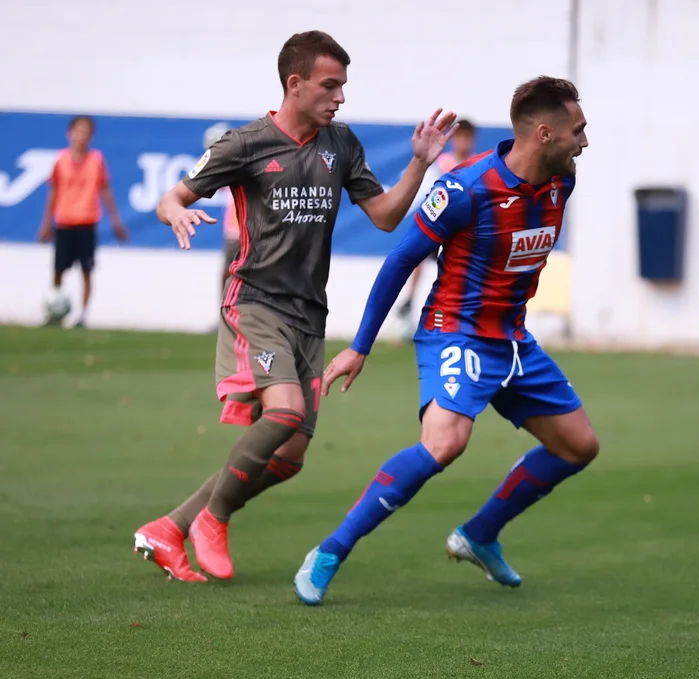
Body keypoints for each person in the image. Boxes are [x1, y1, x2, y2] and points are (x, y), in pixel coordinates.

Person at [132, 30, 457, 583]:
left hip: (310, 315)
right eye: (330, 85)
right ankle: (213, 518)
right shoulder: (245, 143)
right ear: (295, 83)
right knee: (282, 413)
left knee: (288, 456)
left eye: (343, 86)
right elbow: (174, 196)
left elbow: (384, 216)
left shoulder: (341, 144)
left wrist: (419, 164)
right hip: (255, 302)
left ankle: (170, 527)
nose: (340, 97)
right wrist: (176, 213)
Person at [294, 76, 599, 606]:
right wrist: (361, 345)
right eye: (578, 130)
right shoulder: (465, 189)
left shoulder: (561, 181)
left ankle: (479, 535)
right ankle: (329, 551)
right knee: (444, 444)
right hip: (455, 331)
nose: (585, 142)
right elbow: (401, 260)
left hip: (512, 339)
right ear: (545, 134)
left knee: (578, 446)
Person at [37, 115, 128, 328]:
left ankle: (82, 316)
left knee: (87, 270)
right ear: (69, 133)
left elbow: (105, 190)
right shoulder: (60, 160)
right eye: (78, 131)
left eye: (86, 132)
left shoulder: (96, 160)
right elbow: (53, 192)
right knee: (59, 269)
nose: (81, 136)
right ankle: (55, 312)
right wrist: (45, 224)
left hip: (87, 222)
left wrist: (116, 221)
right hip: (64, 222)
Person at [395, 119, 477, 322]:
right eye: (461, 138)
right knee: (418, 256)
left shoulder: (476, 164)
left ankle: (460, 306)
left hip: (463, 227)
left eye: (467, 138)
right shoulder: (442, 163)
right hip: (441, 222)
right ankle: (409, 299)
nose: (464, 142)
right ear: (454, 139)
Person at [201, 122, 242, 294]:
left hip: (240, 231)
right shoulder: (233, 165)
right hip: (235, 231)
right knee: (228, 274)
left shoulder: (239, 164)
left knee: (232, 274)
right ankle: (225, 308)